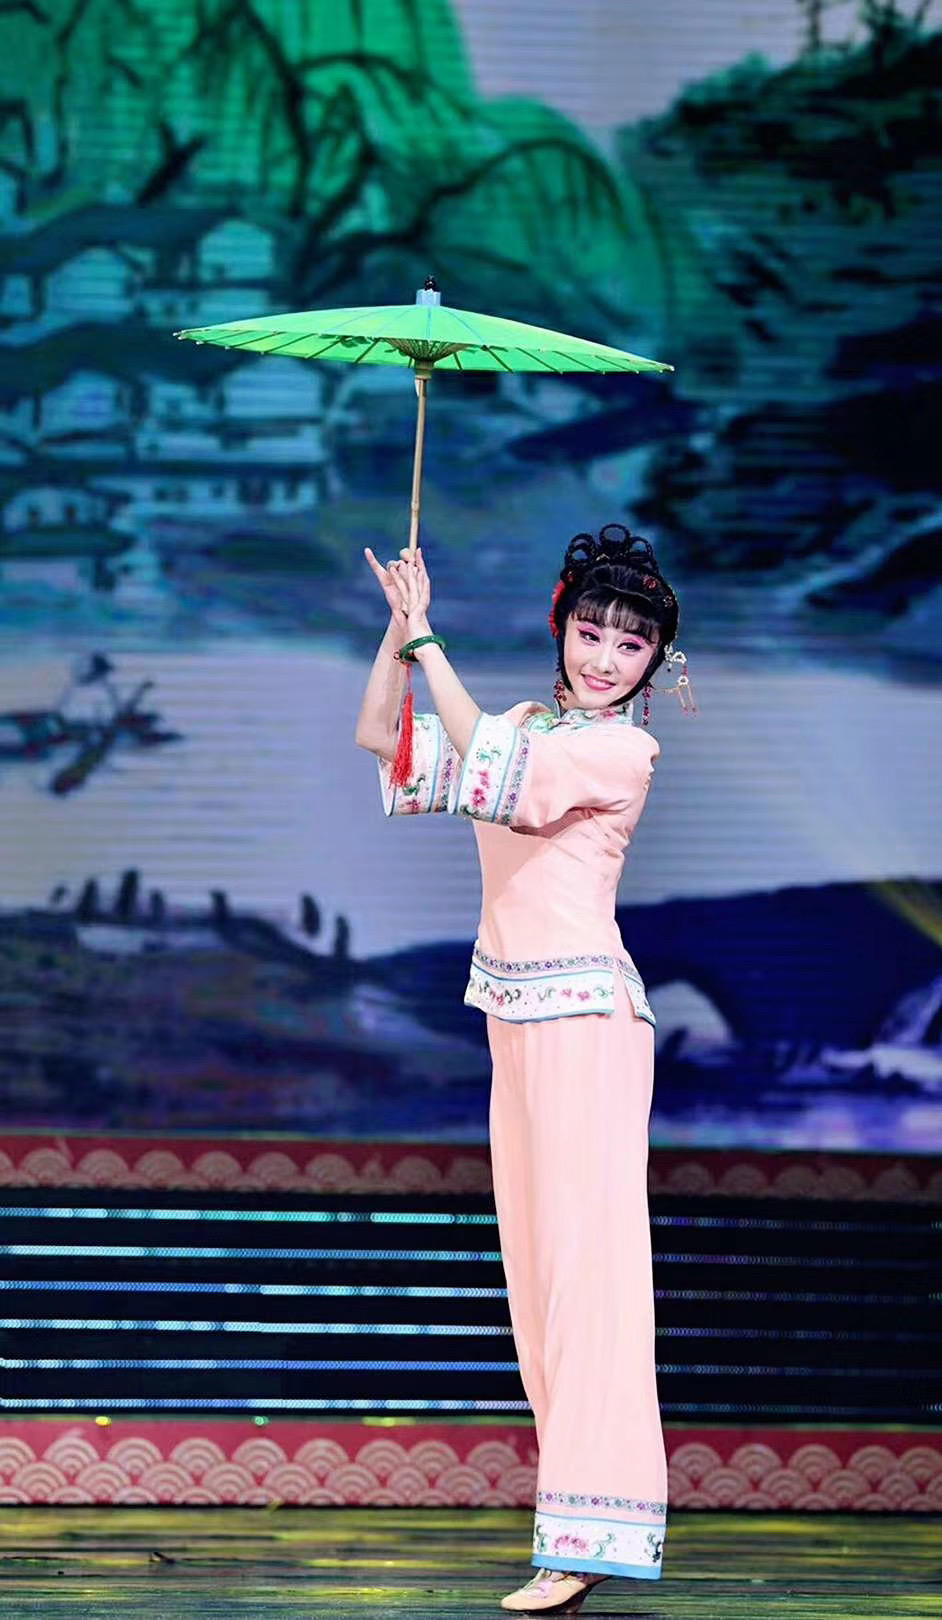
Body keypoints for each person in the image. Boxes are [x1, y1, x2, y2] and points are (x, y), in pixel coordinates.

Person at [355, 524, 691, 1615]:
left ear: (655, 662)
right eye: (592, 633)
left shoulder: (621, 752)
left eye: (630, 646)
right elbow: (385, 740)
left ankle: (585, 1537)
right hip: (519, 1015)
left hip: (588, 1021)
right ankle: (575, 1530)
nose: (606, 658)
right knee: (540, 1282)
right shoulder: (525, 725)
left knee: (588, 1282)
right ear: (563, 630)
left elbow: (508, 783)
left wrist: (434, 642)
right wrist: (401, 631)